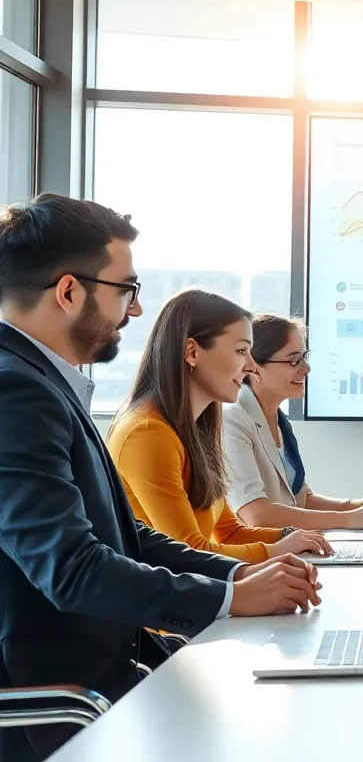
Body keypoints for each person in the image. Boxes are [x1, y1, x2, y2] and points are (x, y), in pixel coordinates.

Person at [0, 195, 321, 762]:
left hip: (113, 671)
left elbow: (127, 537)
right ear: (70, 292)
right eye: (126, 290)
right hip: (67, 702)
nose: (137, 311)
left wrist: (243, 580)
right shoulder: (18, 392)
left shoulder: (44, 385)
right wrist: (229, 597)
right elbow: (72, 570)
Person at [108, 290, 334, 563]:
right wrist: (277, 550)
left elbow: (228, 531)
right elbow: (191, 551)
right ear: (192, 352)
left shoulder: (198, 426)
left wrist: (291, 536)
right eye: (241, 351)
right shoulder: (145, 434)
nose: (251, 366)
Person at [222, 314, 363, 529]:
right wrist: (349, 519)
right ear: (255, 367)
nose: (306, 368)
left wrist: (358, 506)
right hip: (254, 556)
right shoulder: (233, 419)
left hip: (287, 546)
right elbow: (257, 515)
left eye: (304, 357)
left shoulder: (277, 419)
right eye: (294, 360)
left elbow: (301, 500)